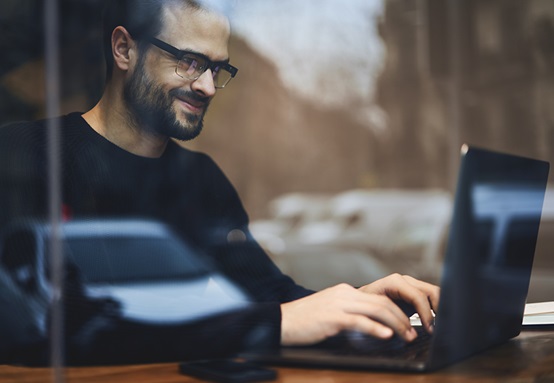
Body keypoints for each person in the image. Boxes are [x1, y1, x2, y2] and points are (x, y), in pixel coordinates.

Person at [0, 0, 439, 365]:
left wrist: (360, 304)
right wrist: (274, 323)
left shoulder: (202, 179)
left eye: (219, 69)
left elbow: (269, 295)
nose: (208, 87)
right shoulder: (25, 155)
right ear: (123, 50)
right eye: (191, 63)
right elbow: (54, 324)